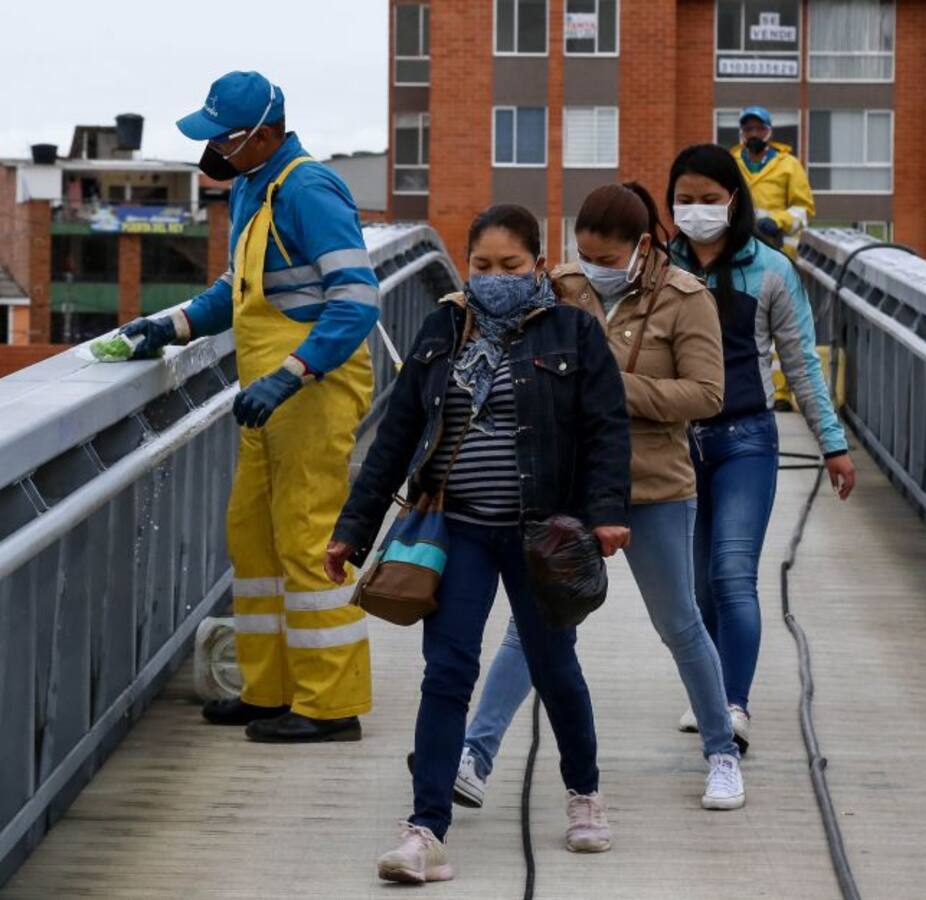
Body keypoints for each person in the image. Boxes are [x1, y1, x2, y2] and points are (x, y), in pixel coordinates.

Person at [325, 204, 631, 884]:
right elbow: (396, 435)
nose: (495, 278)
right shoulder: (443, 328)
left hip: (541, 534)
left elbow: (608, 430)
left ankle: (585, 795)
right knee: (447, 674)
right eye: (482, 267)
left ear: (539, 267)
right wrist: (354, 528)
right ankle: (425, 830)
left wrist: (605, 513)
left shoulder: (575, 333)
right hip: (456, 528)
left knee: (554, 668)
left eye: (511, 267)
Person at [454, 182, 748, 815]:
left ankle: (722, 753)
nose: (593, 267)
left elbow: (705, 395)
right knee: (530, 631)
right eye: (583, 254)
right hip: (566, 485)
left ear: (642, 248)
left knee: (680, 625)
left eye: (607, 258)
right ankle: (475, 756)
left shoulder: (686, 299)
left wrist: (610, 385)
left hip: (652, 484)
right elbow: (495, 327)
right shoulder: (560, 286)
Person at [118, 71, 378, 743]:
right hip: (267, 396)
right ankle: (269, 690)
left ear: (261, 135)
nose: (214, 152)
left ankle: (329, 705)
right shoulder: (252, 189)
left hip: (310, 389)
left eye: (222, 140)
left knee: (307, 542)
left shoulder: (309, 190)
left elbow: (356, 300)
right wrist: (170, 327)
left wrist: (292, 373)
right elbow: (237, 291)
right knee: (254, 541)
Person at [668, 144, 855, 751]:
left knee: (732, 574)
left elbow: (800, 364)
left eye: (709, 199)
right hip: (676, 446)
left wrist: (832, 444)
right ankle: (708, 691)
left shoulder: (771, 269)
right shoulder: (659, 269)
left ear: (734, 200)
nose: (696, 211)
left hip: (746, 439)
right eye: (685, 200)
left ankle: (732, 705)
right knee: (696, 588)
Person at [731, 106, 815, 259]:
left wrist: (777, 221)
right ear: (742, 133)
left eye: (760, 129)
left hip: (778, 250)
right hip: (738, 248)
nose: (754, 134)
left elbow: (804, 210)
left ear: (769, 131)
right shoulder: (731, 163)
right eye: (749, 129)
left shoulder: (789, 164)